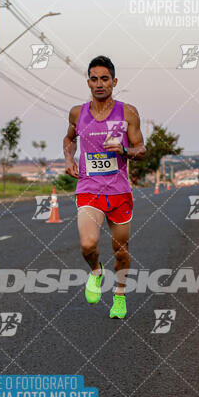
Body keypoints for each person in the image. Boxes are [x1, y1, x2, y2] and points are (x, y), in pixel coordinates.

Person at [63, 56, 145, 319]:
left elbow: (141, 149)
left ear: (114, 81)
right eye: (94, 79)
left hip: (119, 192)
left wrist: (124, 150)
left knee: (121, 251)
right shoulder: (78, 112)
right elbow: (69, 138)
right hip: (89, 188)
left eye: (105, 79)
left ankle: (119, 295)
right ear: (88, 82)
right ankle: (96, 272)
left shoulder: (128, 112)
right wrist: (69, 157)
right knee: (88, 244)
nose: (99, 84)